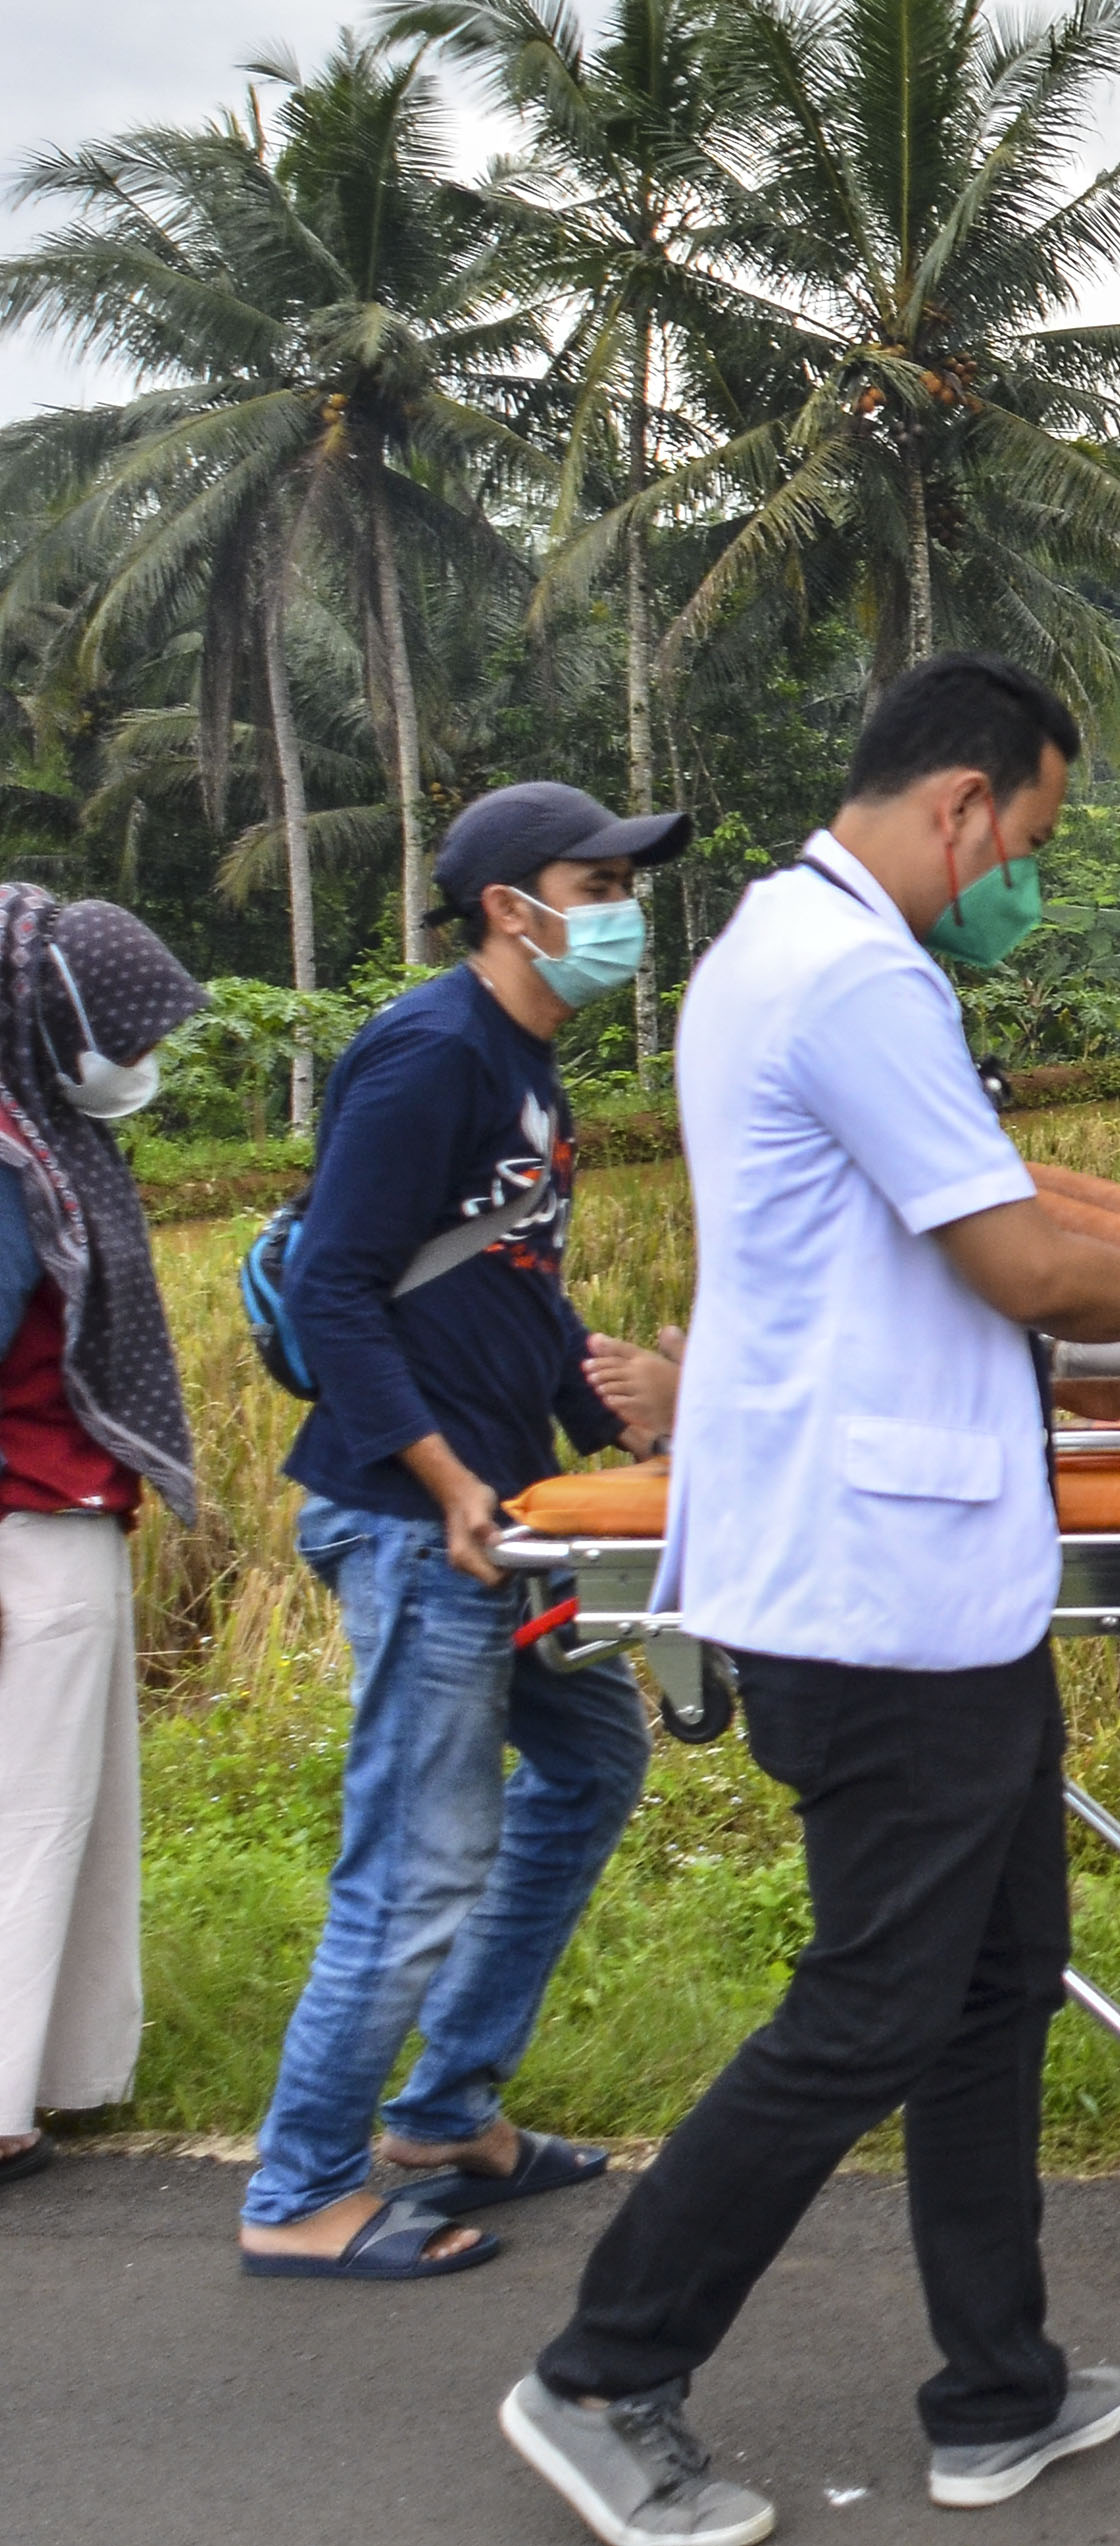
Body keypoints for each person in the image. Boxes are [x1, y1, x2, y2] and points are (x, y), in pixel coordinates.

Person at [502, 655, 1120, 2546]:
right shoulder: (859, 976)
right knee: (875, 2002)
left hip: (927, 1570)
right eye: (1024, 838)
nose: (1015, 876)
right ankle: (605, 2368)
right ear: (962, 803)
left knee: (991, 1982)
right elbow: (1020, 1254)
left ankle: (996, 2390)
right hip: (871, 1589)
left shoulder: (772, 950)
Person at [238, 783, 693, 2281]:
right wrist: (442, 1482)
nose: (625, 899)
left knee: (592, 1759)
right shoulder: (436, 1051)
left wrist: (609, 1404)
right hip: (414, 1520)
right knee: (420, 1856)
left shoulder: (529, 1068)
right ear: (513, 905)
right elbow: (336, 1289)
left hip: (504, 1507)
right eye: (598, 875)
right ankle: (301, 2190)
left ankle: (442, 2116)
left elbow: (507, 1281)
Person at [0, 894, 203, 2195]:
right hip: (30, 1522)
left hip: (60, 1513)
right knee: (32, 1816)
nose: (140, 1062)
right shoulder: (13, 1166)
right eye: (123, 1034)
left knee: (72, 1813)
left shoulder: (48, 1142)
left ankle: (54, 2076)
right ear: (49, 1020)